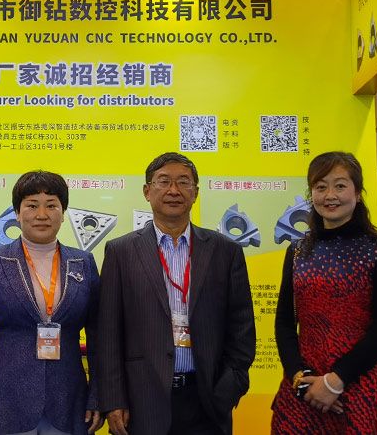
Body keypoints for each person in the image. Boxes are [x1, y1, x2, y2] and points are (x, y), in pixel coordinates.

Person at [93, 154, 255, 435]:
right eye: (164, 181)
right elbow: (108, 333)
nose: (174, 190)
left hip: (208, 400)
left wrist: (229, 387)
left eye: (183, 182)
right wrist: (113, 399)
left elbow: (242, 326)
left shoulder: (225, 251)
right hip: (141, 402)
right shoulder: (121, 252)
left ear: (196, 192)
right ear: (147, 191)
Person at [272, 152, 377, 434]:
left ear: (358, 193)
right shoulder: (297, 251)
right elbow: (285, 324)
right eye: (321, 187)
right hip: (305, 387)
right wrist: (300, 378)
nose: (330, 195)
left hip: (362, 381)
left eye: (340, 185)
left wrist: (335, 381)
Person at [0, 171, 100, 435]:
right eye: (32, 205)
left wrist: (97, 396)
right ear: (17, 212)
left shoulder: (83, 262)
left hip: (69, 401)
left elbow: (98, 336)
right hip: (6, 401)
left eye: (51, 205)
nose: (42, 215)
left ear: (63, 212)